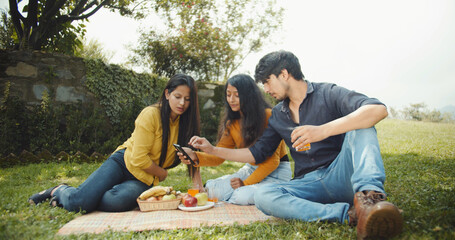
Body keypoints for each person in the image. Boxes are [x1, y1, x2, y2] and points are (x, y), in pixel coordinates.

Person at [187, 51, 403, 239]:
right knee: (263, 196)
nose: (266, 88)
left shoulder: (328, 93)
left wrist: (322, 130)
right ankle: (348, 215)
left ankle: (370, 200)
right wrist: (212, 150)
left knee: (362, 124)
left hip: (340, 174)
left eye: (267, 81)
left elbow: (378, 109)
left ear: (284, 74)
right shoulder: (278, 116)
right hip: (307, 183)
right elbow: (256, 154)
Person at [28, 74, 201, 213]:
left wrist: (199, 189)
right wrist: (161, 173)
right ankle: (59, 190)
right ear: (167, 94)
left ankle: (89, 196)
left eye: (187, 99)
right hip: (122, 163)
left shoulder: (186, 125)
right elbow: (138, 159)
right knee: (79, 203)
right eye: (177, 97)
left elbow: (193, 158)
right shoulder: (151, 115)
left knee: (115, 202)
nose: (182, 103)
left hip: (144, 178)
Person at [178, 74, 292, 205]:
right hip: (251, 168)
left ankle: (282, 189)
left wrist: (245, 183)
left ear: (249, 95)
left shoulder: (267, 115)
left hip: (277, 171)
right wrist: (195, 156)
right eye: (228, 94)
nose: (231, 99)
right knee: (213, 191)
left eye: (237, 95)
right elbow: (218, 157)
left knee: (240, 196)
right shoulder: (232, 123)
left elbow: (272, 163)